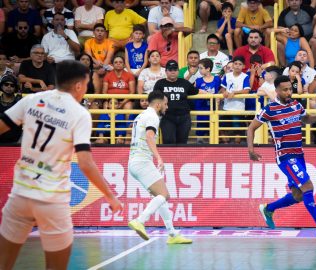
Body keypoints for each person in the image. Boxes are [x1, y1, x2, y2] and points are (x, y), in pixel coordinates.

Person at [0, 60, 122, 270]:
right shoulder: (79, 114)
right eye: (85, 84)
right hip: (52, 199)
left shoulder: (33, 100)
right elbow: (85, 163)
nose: (85, 89)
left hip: (20, 195)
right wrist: (110, 195)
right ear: (78, 85)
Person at [247, 75, 316, 240]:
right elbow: (251, 128)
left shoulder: (296, 105)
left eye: (290, 89)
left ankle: (268, 208)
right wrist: (250, 149)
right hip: (285, 156)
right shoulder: (269, 109)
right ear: (276, 91)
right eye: (285, 90)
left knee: (298, 195)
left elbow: (307, 120)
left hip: (299, 154)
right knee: (307, 185)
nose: (289, 92)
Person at [127, 91, 193, 243]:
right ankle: (140, 220)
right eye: (165, 103)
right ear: (158, 104)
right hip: (142, 161)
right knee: (164, 194)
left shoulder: (141, 115)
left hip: (135, 162)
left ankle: (173, 234)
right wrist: (159, 157)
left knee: (160, 196)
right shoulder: (152, 117)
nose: (167, 106)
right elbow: (150, 136)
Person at [153, 60, 199, 144]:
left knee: (182, 143)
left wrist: (214, 95)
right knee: (168, 142)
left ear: (178, 71)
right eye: (170, 70)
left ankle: (180, 158)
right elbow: (155, 99)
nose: (173, 72)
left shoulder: (184, 82)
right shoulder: (160, 83)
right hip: (167, 116)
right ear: (166, 71)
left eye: (175, 70)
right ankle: (169, 158)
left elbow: (197, 91)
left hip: (184, 117)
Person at [0, 75, 22, 143]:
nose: (9, 87)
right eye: (6, 84)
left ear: (15, 88)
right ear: (1, 86)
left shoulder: (20, 102)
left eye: (12, 85)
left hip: (16, 140)